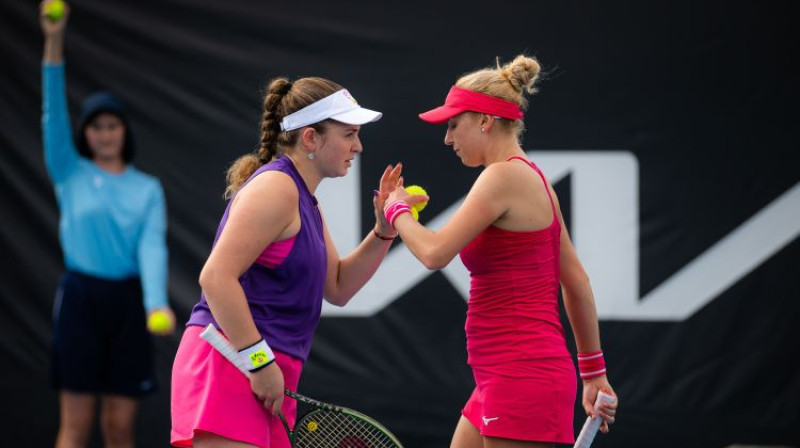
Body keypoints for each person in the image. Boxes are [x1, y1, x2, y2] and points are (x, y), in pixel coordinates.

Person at [382, 55, 618, 447]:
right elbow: (576, 281)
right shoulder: (533, 179)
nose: (447, 139)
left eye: (453, 125)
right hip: (503, 377)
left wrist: (396, 209)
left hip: (521, 378)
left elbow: (434, 253)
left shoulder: (502, 176)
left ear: (485, 121)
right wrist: (592, 372)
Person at [170, 75, 401, 448]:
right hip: (230, 363)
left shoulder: (304, 197)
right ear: (310, 138)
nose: (358, 146)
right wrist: (259, 361)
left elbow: (338, 287)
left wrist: (384, 231)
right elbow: (215, 277)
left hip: (266, 369)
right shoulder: (275, 189)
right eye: (348, 134)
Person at [39, 1, 176, 447]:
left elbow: (152, 247)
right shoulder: (68, 170)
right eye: (95, 125)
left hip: (129, 306)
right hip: (80, 300)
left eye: (112, 125)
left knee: (119, 427)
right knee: (74, 428)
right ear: (85, 133)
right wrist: (53, 39)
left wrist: (155, 304)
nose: (103, 133)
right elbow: (53, 112)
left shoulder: (148, 188)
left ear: (124, 131)